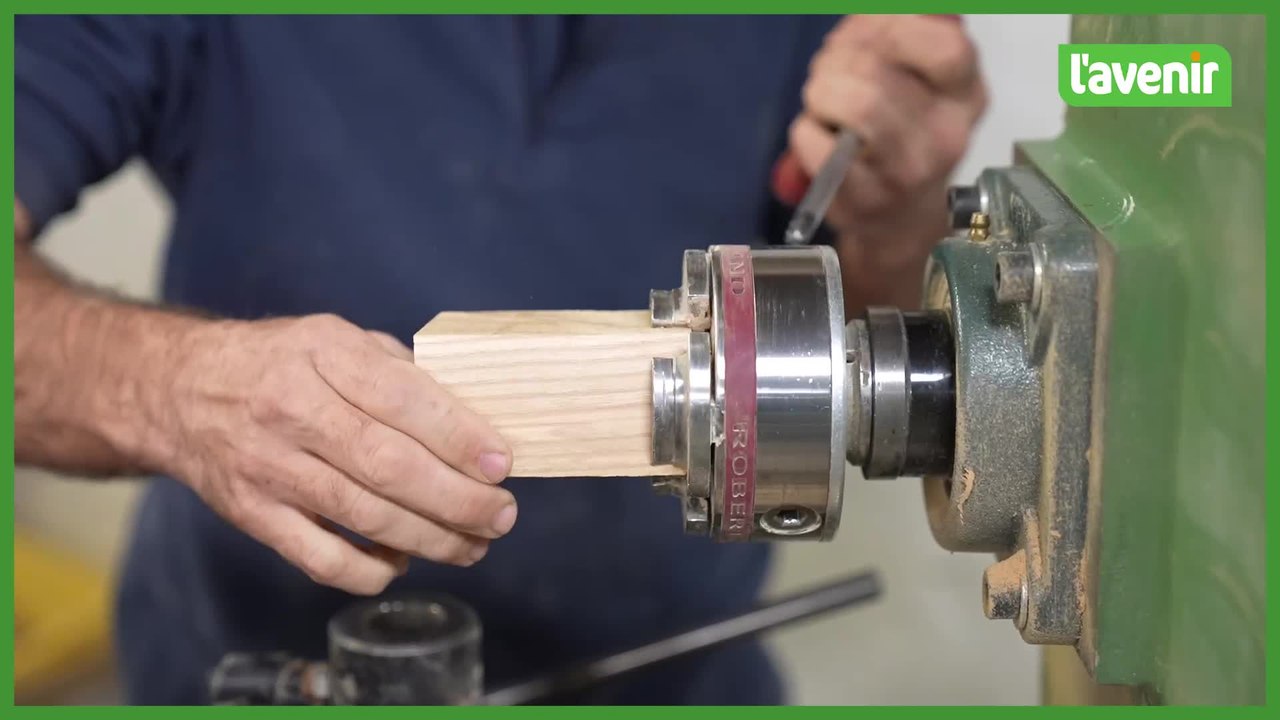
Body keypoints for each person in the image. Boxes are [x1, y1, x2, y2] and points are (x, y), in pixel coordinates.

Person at [13, 15, 986, 705]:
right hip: (248, 662)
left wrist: (899, 209)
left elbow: (864, 327)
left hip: (674, 674)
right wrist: (174, 389)